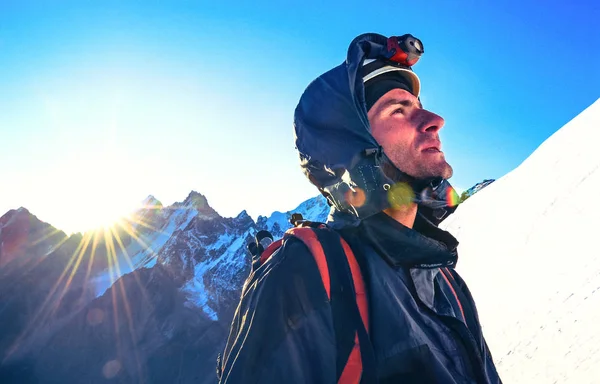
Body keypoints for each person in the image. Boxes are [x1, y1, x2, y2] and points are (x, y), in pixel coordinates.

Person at [218, 33, 502, 383]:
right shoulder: (305, 273)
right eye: (398, 110)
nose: (434, 120)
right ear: (352, 150)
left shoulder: (447, 280)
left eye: (417, 105)